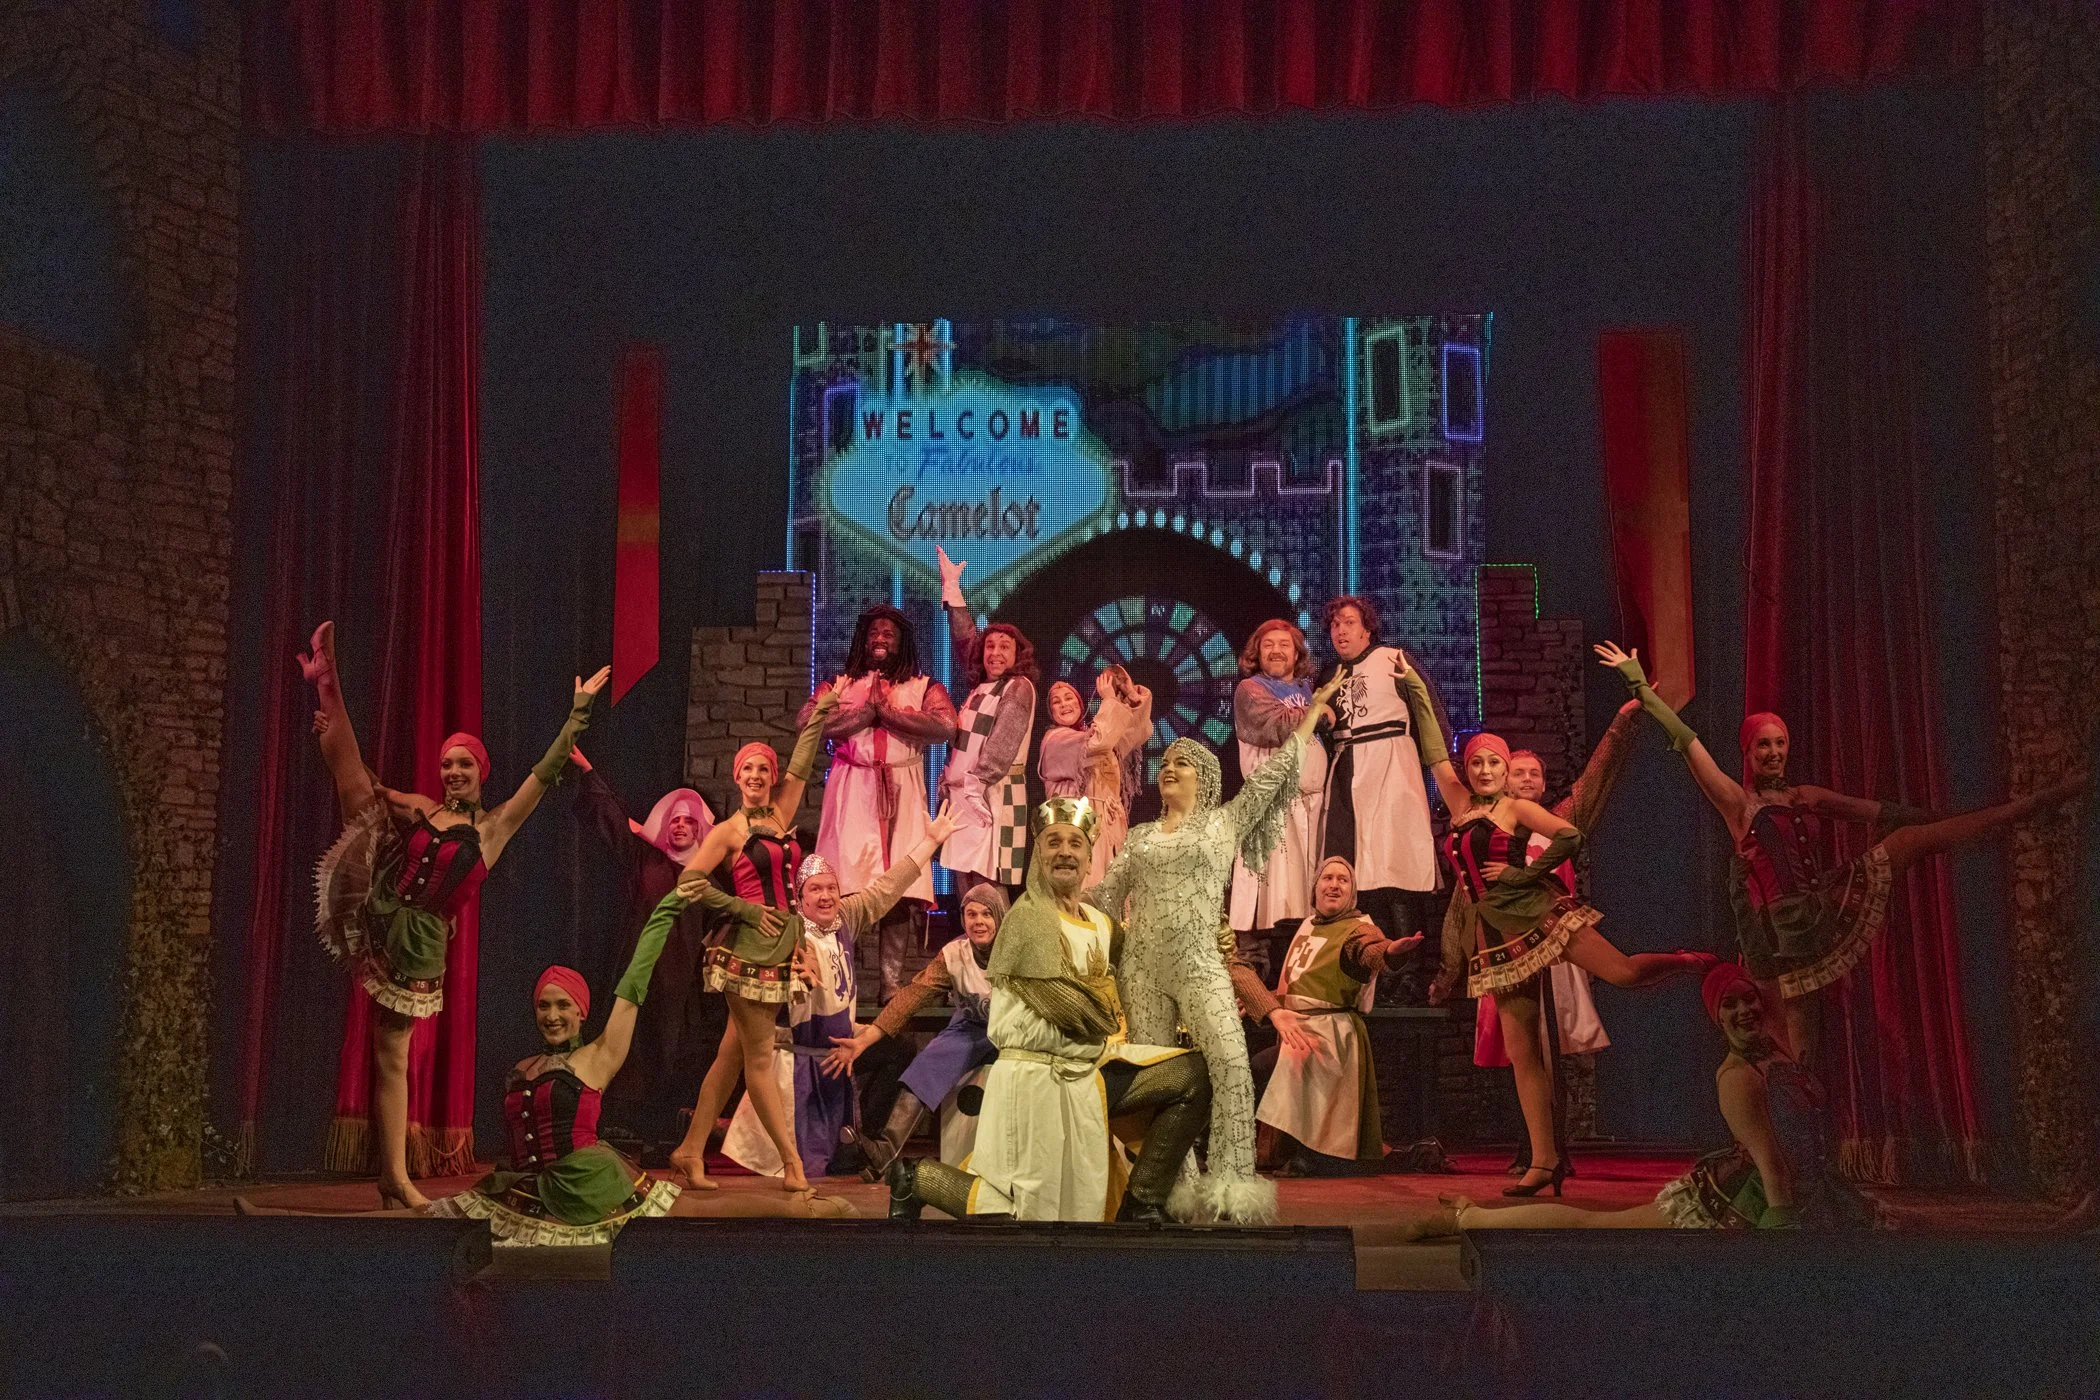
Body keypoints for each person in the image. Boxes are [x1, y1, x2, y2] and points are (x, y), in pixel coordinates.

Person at [238, 875, 854, 1232]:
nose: (553, 1016)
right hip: (528, 1187)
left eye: (563, 1007)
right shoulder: (522, 1068)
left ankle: (809, 1209)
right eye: (544, 1008)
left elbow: (634, 981)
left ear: (582, 1013)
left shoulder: (600, 1056)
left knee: (690, 1215)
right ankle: (283, 1217)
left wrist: (669, 907)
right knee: (437, 1216)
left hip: (589, 1184)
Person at [1599, 641, 2090, 1067]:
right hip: (1782, 931)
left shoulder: (1806, 796)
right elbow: (1687, 742)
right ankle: (1795, 1135)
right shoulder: (1738, 803)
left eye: (1780, 743)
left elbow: (1881, 813)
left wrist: (1941, 821)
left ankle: (2023, 808)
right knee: (1798, 1042)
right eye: (1763, 745)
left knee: (1907, 840)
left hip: (1822, 905)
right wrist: (1642, 687)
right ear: (1747, 752)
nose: (1773, 752)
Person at [301, 621, 603, 1209]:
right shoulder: (422, 807)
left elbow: (542, 777)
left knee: (392, 1054)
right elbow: (361, 782)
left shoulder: (492, 829)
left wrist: (576, 716)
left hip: (419, 942)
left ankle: (393, 1175)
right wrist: (336, 742)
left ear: (481, 773)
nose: (454, 773)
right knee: (355, 783)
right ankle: (326, 679)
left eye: (465, 765)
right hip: (382, 912)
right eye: (447, 765)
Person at [1403, 668, 1713, 1199]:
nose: (1484, 770)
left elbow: (1570, 836)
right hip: (1497, 941)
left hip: (1539, 914)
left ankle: (1688, 961)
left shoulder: (1517, 808)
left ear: (1506, 771)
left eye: (1494, 762)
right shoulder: (1460, 806)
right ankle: (1544, 1160)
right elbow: (1434, 751)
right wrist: (1413, 685)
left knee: (1624, 972)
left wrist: (1524, 874)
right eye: (1476, 762)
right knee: (1524, 1054)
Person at [1088, 669, 1349, 1223]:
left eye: (1181, 763)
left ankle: (1232, 1184)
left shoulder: (1223, 824)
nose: (1168, 768)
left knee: (1231, 1064)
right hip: (1141, 970)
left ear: (1205, 777)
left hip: (1201, 964)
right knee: (1159, 1081)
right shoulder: (1138, 838)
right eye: (1164, 763)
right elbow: (1104, 898)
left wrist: (1310, 716)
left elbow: (1275, 774)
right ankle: (1171, 1189)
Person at [885, 799, 1213, 1224]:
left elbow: (1148, 962)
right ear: (1038, 853)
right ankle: (917, 1178)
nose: (1064, 852)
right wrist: (1103, 1009)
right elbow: (1076, 1009)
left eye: (1075, 843)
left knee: (1191, 1076)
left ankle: (1142, 1202)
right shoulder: (1028, 919)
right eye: (1053, 842)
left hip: (1086, 1070)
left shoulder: (1099, 923)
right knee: (1018, 1213)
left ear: (1089, 857)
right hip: (1033, 1076)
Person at [1407, 963, 1882, 1237]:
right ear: (1717, 1019)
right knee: (1595, 1227)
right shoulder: (1738, 1078)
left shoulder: (1776, 1050)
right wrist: (1785, 1252)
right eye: (1730, 1005)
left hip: (1804, 1189)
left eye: (1748, 999)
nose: (1744, 1010)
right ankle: (1472, 1217)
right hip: (1749, 1198)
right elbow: (1774, 1172)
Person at [1431, 701, 1647, 1174]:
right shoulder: (1486, 826)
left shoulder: (1553, 817)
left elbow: (1595, 780)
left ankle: (1556, 1150)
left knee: (1556, 1044)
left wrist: (1622, 721)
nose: (1526, 779)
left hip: (1555, 939)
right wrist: (1449, 966)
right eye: (1519, 772)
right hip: (1505, 942)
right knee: (1520, 1049)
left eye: (1534, 773)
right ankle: (1534, 1150)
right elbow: (1465, 899)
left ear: (1543, 784)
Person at [718, 806, 958, 1182]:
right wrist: (802, 972)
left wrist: (929, 842)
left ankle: (865, 1140)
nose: (827, 896)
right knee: (809, 1162)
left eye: (831, 888)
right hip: (801, 1058)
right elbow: (796, 961)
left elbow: (887, 889)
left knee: (899, 1047)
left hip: (839, 1045)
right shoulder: (791, 932)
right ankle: (725, 1128)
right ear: (800, 897)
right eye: (816, 889)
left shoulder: (845, 916)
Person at [664, 693, 836, 1193]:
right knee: (759, 1060)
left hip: (781, 947)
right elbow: (689, 882)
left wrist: (821, 711)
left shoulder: (781, 814)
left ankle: (689, 1150)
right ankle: (792, 1164)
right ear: (736, 777)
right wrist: (744, 909)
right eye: (748, 769)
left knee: (731, 1056)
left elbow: (802, 762)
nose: (757, 775)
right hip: (747, 951)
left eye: (764, 769)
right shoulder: (728, 831)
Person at [567, 747, 720, 1153]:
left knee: (676, 1052)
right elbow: (614, 819)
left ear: (701, 829)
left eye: (689, 821)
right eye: (675, 820)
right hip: (639, 978)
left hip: (682, 988)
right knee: (633, 1049)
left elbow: (729, 920)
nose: (681, 826)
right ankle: (627, 1131)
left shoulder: (708, 877)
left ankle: (666, 1135)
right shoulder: (645, 859)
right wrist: (588, 769)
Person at [806, 604, 956, 1002]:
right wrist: (863, 714)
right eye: (874, 632)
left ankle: (891, 986)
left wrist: (885, 713)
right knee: (847, 885)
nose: (880, 638)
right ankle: (843, 982)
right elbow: (808, 722)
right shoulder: (839, 684)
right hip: (852, 789)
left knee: (901, 888)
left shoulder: (924, 685)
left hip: (902, 788)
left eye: (889, 633)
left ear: (902, 641)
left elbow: (945, 725)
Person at [1246, 856, 1422, 1169]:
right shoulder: (1308, 926)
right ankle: (1285, 1150)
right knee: (1261, 1068)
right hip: (1297, 1032)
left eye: (1343, 880)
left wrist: (1390, 952)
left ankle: (1310, 1155)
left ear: (1352, 893)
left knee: (1268, 1067)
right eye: (1328, 878)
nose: (1334, 885)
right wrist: (1262, 999)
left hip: (1330, 1035)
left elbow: (1370, 950)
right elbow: (1300, 984)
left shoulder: (1357, 929)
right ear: (1315, 889)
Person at [829, 880, 1008, 1180]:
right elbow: (912, 997)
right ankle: (885, 1151)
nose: (978, 921)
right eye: (971, 914)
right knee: (927, 1063)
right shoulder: (954, 954)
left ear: (999, 918)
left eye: (986, 914)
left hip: (1012, 1030)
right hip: (970, 1027)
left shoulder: (1016, 951)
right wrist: (866, 1040)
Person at [1318, 595, 1447, 942]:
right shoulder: (1328, 675)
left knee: (1397, 860)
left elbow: (1428, 712)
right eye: (1335, 625)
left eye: (1349, 623)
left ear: (1367, 630)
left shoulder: (1393, 659)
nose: (1341, 631)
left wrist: (1445, 773)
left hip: (1393, 767)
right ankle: (1376, 957)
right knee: (1360, 866)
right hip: (1347, 773)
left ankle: (1409, 961)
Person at [935, 545, 1038, 896]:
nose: (994, 653)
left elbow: (1002, 743)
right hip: (966, 796)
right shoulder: (982, 688)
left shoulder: (1018, 687)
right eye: (990, 646)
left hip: (994, 795)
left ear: (1017, 654)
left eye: (1004, 647)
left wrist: (977, 783)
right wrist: (952, 590)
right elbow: (966, 640)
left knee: (988, 890)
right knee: (965, 887)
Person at [1229, 619, 1330, 968]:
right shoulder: (1251, 690)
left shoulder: (1306, 690)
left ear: (1297, 653)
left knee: (1302, 893)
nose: (1276, 651)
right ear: (1256, 653)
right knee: (1268, 892)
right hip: (1273, 805)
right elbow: (1281, 726)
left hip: (1310, 805)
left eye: (1284, 645)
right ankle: (1257, 972)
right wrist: (1318, 711)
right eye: (1268, 645)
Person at [1037, 667, 1153, 883]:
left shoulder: (1093, 733)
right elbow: (1099, 743)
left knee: (1114, 889)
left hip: (1111, 827)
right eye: (1056, 702)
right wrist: (1109, 700)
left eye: (1069, 698)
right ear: (1051, 712)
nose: (1064, 704)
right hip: (1079, 828)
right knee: (1088, 887)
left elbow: (1136, 731)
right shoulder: (1055, 740)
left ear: (1080, 705)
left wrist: (1131, 697)